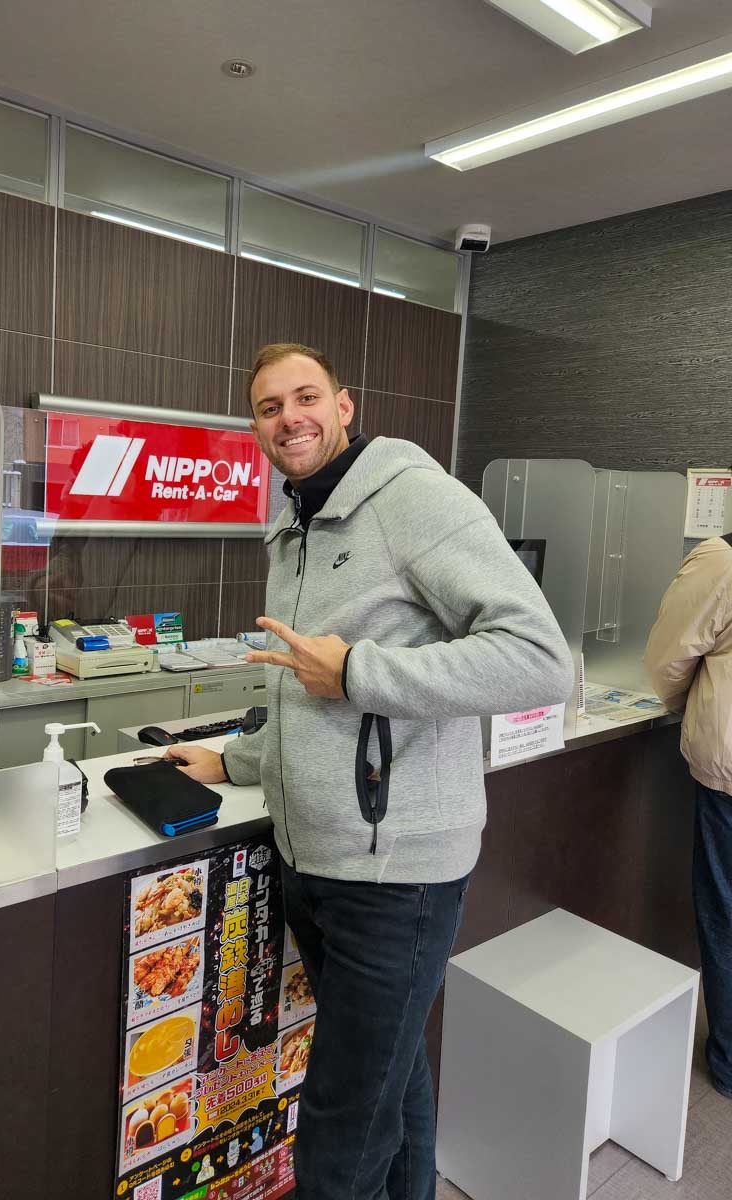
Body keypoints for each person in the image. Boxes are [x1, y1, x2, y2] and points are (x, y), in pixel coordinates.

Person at [168, 343, 574, 1200]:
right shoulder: (295, 526)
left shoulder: (414, 500)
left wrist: (361, 674)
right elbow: (301, 687)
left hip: (399, 875)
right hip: (316, 858)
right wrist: (236, 759)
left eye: (306, 397)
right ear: (256, 428)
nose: (291, 418)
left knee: (343, 1119)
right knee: (394, 1080)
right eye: (270, 407)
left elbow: (539, 660)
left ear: (345, 406)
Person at [645, 534, 732, 1101]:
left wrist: (680, 704)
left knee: (726, 913)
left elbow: (667, 659)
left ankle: (728, 1062)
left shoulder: (722, 560)